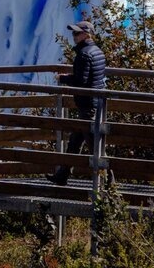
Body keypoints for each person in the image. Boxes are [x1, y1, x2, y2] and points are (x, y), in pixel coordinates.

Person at [48, 20, 106, 186]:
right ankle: (62, 176)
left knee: (96, 148)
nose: (74, 36)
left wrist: (63, 78)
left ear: (87, 34)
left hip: (87, 106)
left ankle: (110, 185)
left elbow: (81, 80)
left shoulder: (84, 54)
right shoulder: (98, 52)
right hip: (95, 104)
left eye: (77, 33)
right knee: (74, 142)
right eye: (73, 33)